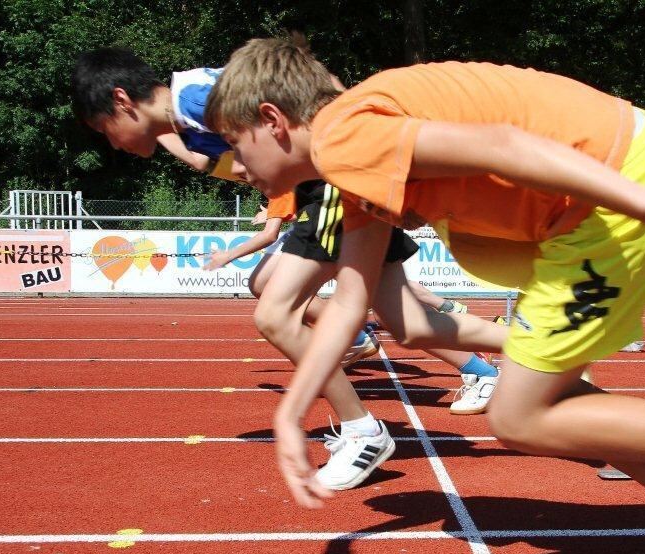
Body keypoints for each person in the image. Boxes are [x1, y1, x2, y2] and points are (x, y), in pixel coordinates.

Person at [204, 36, 645, 554]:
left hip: (610, 191)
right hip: (603, 188)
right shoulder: (352, 169)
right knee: (553, 399)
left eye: (235, 145)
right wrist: (290, 415)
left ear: (273, 120)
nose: (237, 168)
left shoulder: (344, 136)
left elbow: (502, 144)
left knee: (517, 416)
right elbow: (350, 303)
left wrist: (644, 201)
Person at [71, 48, 507, 490]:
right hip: (335, 187)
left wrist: (361, 152)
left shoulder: (196, 98)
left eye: (105, 130)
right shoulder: (186, 117)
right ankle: (532, 345)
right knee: (409, 324)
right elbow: (222, 163)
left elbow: (319, 85)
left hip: (333, 187)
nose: (113, 144)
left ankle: (363, 431)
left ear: (122, 100)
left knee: (275, 314)